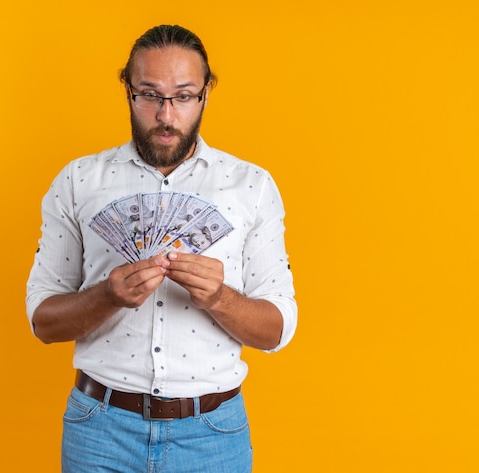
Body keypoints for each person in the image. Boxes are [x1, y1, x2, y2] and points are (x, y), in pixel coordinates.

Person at [26, 24, 297, 473]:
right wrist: (108, 295)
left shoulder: (252, 186)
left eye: (183, 95)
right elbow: (43, 322)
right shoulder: (77, 181)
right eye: (149, 94)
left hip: (214, 436)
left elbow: (277, 330)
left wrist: (219, 297)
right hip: (100, 430)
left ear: (206, 93)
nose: (166, 115)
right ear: (128, 92)